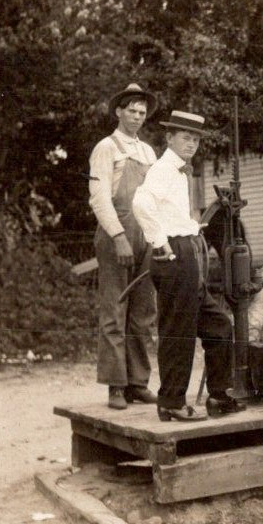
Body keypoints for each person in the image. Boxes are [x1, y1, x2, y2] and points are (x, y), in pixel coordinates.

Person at [131, 110, 244, 421]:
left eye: (195, 139)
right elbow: (141, 203)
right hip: (175, 255)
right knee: (178, 332)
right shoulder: (164, 169)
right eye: (185, 137)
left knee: (219, 324)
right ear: (170, 138)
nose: (191, 143)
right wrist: (160, 244)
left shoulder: (179, 172)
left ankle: (219, 396)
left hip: (188, 254)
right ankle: (171, 403)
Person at [88, 83, 160, 410]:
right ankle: (115, 385)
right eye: (131, 110)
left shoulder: (148, 153)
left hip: (147, 232)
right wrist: (118, 236)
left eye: (142, 112)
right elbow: (99, 198)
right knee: (115, 311)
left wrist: (159, 236)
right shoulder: (106, 147)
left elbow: (156, 198)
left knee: (144, 312)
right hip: (117, 230)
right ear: (118, 111)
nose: (136, 116)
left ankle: (137, 383)